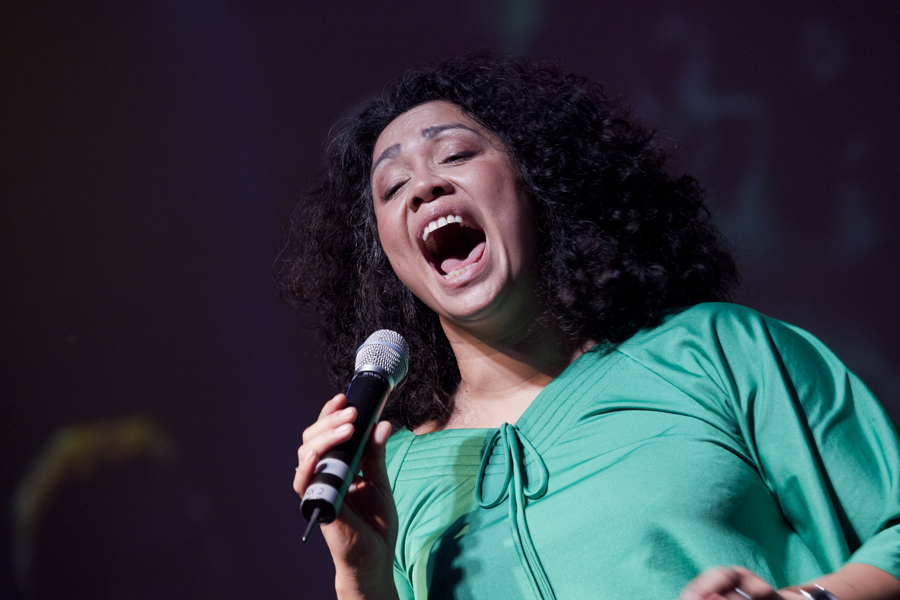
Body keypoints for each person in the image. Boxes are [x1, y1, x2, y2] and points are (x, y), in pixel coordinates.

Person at [283, 53, 900, 600]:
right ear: (386, 258)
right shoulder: (395, 475)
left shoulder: (714, 351)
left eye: (457, 154)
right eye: (392, 187)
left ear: (540, 182)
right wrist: (362, 576)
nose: (424, 186)